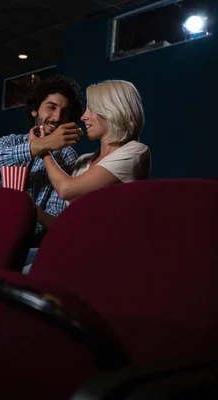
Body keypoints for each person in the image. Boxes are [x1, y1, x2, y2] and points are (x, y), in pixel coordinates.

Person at [23, 80, 151, 273]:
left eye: (91, 110)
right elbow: (65, 224)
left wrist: (43, 149)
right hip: (73, 250)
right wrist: (28, 205)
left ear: (111, 111)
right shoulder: (83, 160)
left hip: (104, 257)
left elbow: (67, 189)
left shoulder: (135, 152)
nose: (83, 117)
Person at [0, 75, 84, 242]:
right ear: (35, 109)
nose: (57, 117)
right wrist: (38, 146)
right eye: (51, 107)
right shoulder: (9, 141)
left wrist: (21, 209)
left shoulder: (67, 155)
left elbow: (54, 217)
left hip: (28, 241)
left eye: (64, 112)